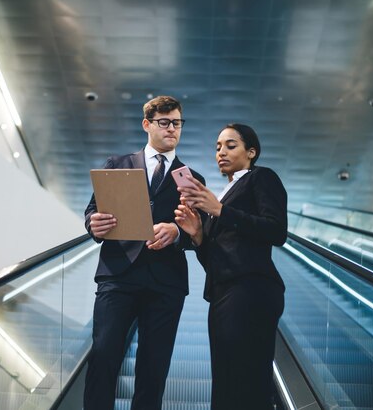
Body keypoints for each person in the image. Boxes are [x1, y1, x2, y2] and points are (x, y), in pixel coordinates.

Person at [83, 95, 204, 410]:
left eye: (177, 123)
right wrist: (92, 224)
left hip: (166, 283)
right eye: (164, 123)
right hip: (118, 275)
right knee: (104, 354)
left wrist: (178, 232)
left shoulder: (193, 179)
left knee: (154, 367)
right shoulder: (117, 165)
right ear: (147, 124)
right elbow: (92, 212)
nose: (172, 129)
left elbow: (202, 233)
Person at [174, 123, 287, 410]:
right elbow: (214, 261)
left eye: (230, 145)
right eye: (217, 147)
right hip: (223, 294)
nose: (221, 152)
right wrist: (198, 235)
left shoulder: (261, 178)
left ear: (251, 152)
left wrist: (220, 211)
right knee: (225, 381)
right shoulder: (221, 196)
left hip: (253, 289)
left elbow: (276, 231)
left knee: (248, 380)